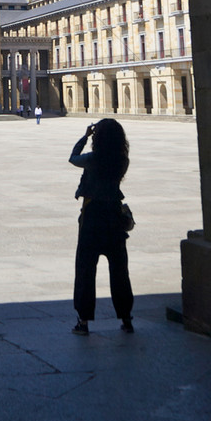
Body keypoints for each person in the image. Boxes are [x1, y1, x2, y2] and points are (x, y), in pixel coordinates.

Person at [68, 119, 134, 335]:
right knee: (119, 270)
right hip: (114, 216)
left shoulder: (93, 159)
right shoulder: (122, 160)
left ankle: (83, 321)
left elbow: (73, 158)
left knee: (86, 269)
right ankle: (126, 318)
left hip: (92, 217)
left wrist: (85, 136)